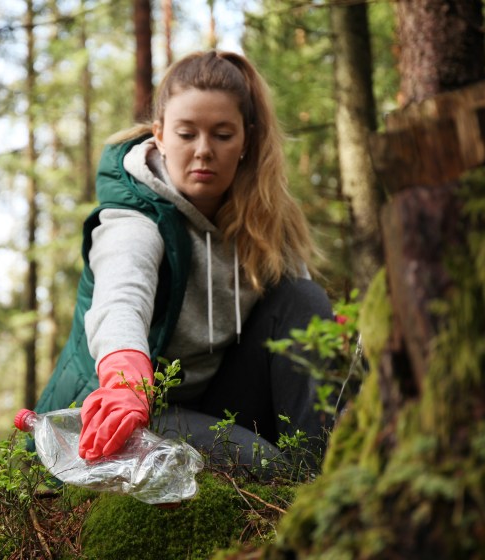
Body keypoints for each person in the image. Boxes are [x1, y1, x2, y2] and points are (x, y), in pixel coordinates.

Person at [34, 50, 333, 472]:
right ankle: (294, 482)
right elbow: (121, 301)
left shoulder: (262, 217)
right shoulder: (134, 217)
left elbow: (301, 317)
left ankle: (323, 476)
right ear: (159, 134)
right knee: (268, 467)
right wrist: (124, 381)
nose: (204, 151)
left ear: (246, 139)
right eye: (187, 134)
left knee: (304, 298)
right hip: (131, 409)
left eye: (222, 135)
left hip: (212, 397)